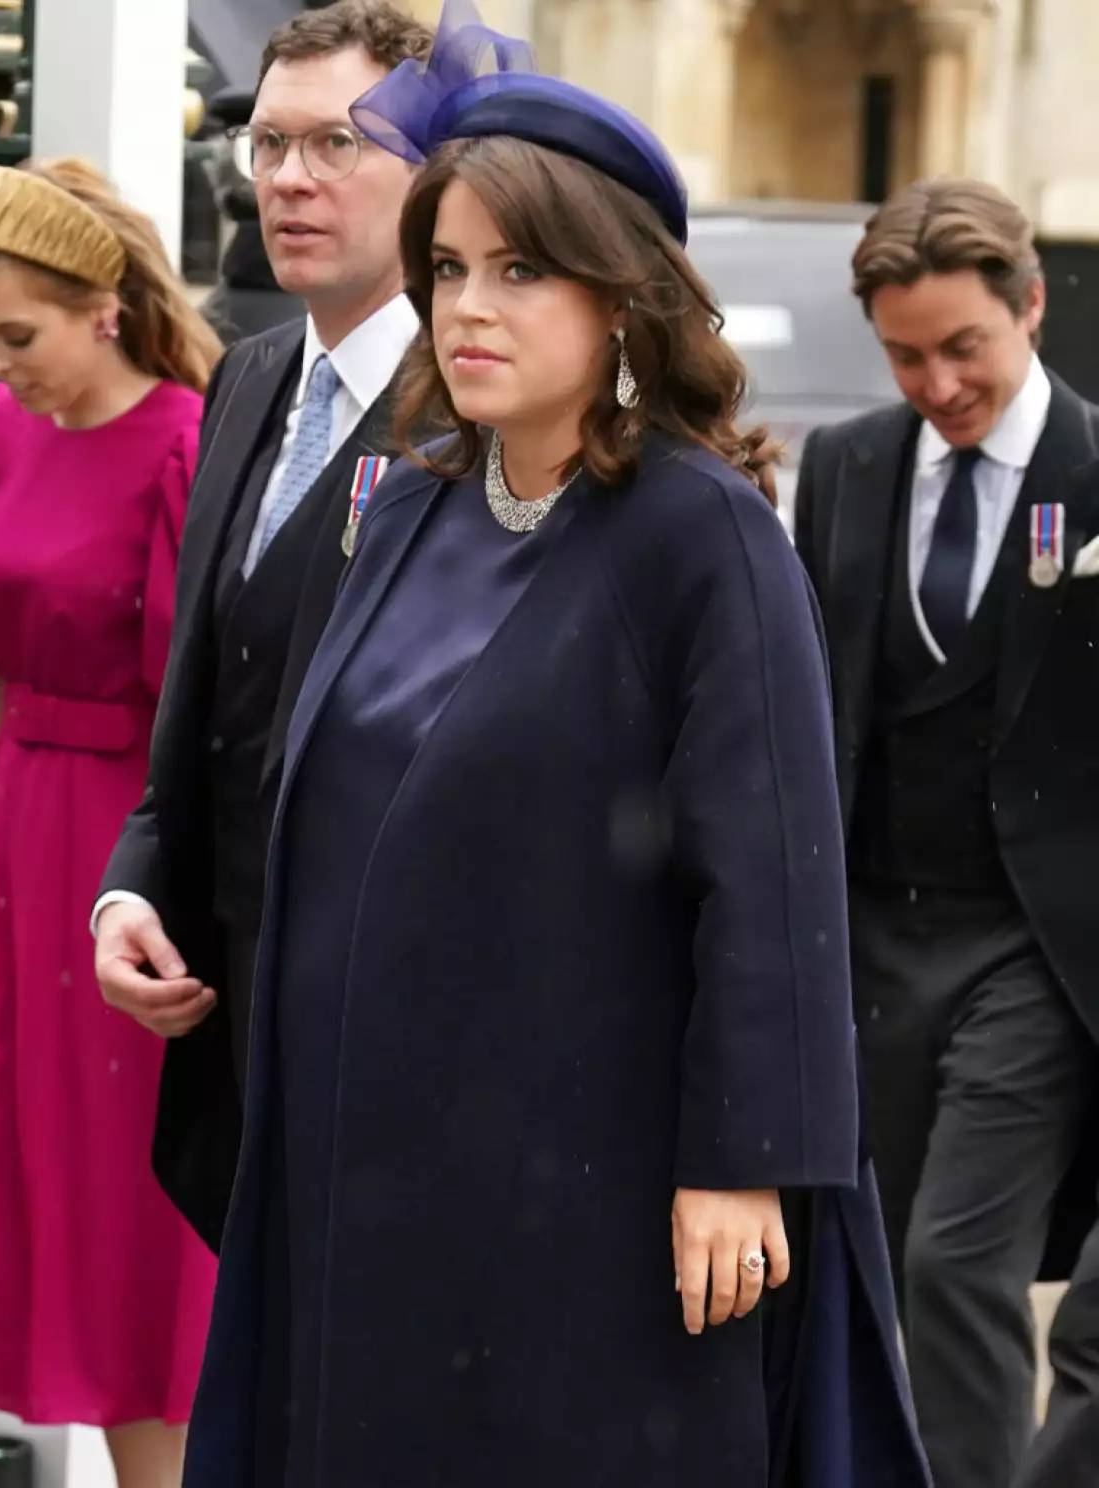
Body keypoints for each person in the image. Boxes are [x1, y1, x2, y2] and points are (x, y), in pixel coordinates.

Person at [181, 7, 931, 1485]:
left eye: (520, 271)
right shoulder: (402, 507)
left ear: (620, 295)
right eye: (449, 268)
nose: (470, 306)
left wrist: (747, 1159)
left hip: (592, 1168)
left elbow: (773, 876)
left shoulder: (700, 534)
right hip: (371, 1167)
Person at [0, 159, 222, 1488]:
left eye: (15, 335)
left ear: (104, 307)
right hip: (0, 857)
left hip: (125, 858)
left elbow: (209, 717)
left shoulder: (192, 448)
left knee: (119, 1228)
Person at [93, 0, 433, 1254]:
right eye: (269, 145)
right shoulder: (244, 378)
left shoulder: (478, 416)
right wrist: (134, 890)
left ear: (431, 168)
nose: (289, 178)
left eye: (335, 146)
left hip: (393, 1045)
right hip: (233, 1033)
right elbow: (206, 698)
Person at [794, 178, 1099, 1488]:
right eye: (906, 355)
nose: (938, 383)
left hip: (1038, 950)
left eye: (963, 346)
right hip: (873, 937)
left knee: (955, 1262)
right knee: (882, 1267)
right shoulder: (850, 465)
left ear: (1031, 306)